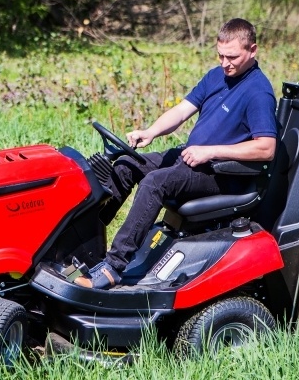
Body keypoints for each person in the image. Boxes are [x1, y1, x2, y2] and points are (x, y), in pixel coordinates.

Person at [75, 18, 279, 290]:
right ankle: (88, 250)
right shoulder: (216, 76)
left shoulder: (258, 92)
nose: (225, 63)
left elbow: (266, 148)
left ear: (252, 50)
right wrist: (151, 132)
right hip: (191, 159)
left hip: (220, 174)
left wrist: (210, 152)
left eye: (232, 57)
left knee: (155, 182)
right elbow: (182, 111)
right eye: (220, 55)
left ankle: (113, 267)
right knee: (126, 165)